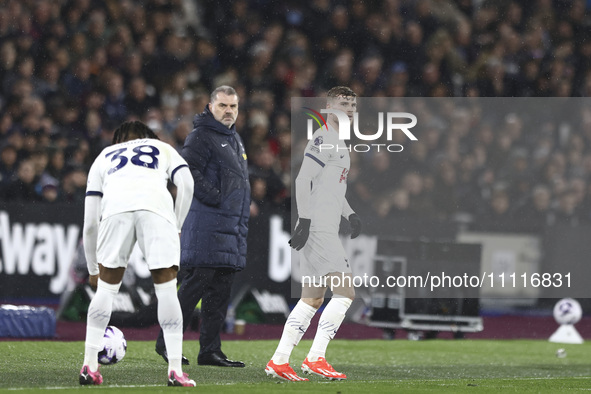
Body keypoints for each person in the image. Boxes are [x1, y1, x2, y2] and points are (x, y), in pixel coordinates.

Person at [79, 120, 196, 387]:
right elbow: (187, 184)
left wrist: (92, 269)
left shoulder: (104, 156)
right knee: (166, 291)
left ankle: (89, 365)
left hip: (115, 211)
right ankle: (175, 370)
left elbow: (89, 224)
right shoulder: (162, 147)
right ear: (147, 136)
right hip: (156, 209)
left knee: (106, 291)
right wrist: (176, 224)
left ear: (117, 140)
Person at [265, 86, 362, 381]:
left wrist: (350, 213)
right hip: (318, 227)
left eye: (353, 104)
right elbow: (302, 178)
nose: (349, 108)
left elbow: (329, 187)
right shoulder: (324, 138)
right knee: (345, 293)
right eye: (343, 103)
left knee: (312, 299)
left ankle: (279, 361)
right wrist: (305, 222)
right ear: (328, 107)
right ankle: (316, 357)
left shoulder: (339, 142)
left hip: (324, 224)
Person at [155, 85, 250, 368]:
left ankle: (210, 350)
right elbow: (188, 172)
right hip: (208, 225)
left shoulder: (234, 138)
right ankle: (166, 342)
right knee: (193, 288)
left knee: (219, 293)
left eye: (233, 106)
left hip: (228, 227)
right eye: (222, 105)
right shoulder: (201, 136)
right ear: (210, 107)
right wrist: (217, 198)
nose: (228, 111)